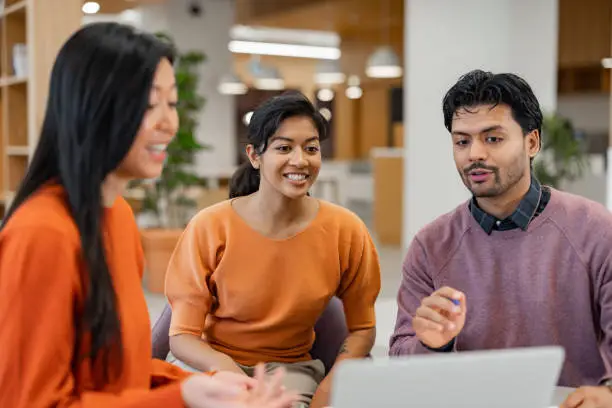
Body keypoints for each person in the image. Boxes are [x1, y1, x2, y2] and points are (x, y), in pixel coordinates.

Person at [0, 22, 296, 408]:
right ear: (93, 109)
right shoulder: (42, 233)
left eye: (170, 104)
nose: (168, 123)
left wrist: (201, 386)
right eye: (147, 105)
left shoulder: (117, 217)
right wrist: (181, 396)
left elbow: (118, 373)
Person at [388, 69, 612, 405]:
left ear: (532, 142)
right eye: (462, 141)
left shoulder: (595, 229)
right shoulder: (430, 245)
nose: (474, 153)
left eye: (493, 138)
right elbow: (401, 360)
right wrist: (433, 344)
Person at [165, 91, 381, 408]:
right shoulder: (210, 226)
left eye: (311, 148)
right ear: (254, 156)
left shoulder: (345, 230)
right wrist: (236, 379)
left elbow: (362, 328)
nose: (300, 160)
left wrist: (329, 389)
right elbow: (182, 337)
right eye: (283, 148)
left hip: (289, 372)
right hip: (212, 363)